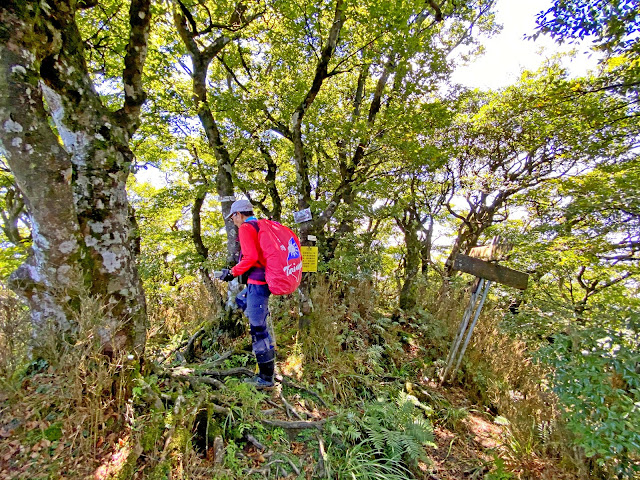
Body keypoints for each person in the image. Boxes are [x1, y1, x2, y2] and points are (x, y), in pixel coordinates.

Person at [219, 199, 276, 389]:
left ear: (238, 214)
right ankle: (266, 369)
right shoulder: (260, 224)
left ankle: (266, 378)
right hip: (262, 282)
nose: (233, 221)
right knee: (240, 300)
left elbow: (251, 257)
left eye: (233, 217)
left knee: (258, 330)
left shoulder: (246, 228)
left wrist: (232, 273)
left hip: (258, 283)